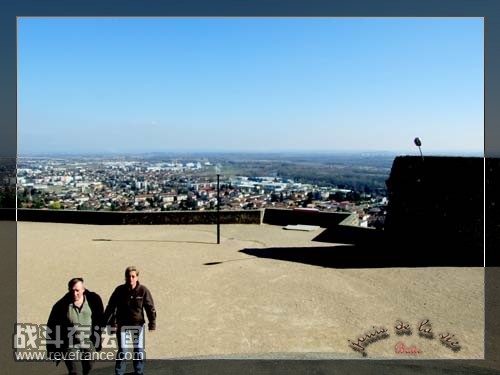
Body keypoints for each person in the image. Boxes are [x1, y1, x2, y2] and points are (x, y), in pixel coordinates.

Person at [104, 266, 156, 375]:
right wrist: (107, 323)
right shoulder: (119, 290)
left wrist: (152, 323)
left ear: (137, 277)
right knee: (123, 351)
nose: (130, 279)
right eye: (128, 276)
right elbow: (111, 307)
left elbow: (150, 307)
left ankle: (139, 371)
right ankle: (119, 372)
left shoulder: (143, 290)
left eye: (133, 276)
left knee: (138, 351)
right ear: (125, 277)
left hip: (138, 325)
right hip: (122, 325)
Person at [47, 277, 104, 375]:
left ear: (83, 290)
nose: (75, 293)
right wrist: (52, 348)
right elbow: (51, 327)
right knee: (75, 372)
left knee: (88, 367)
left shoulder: (93, 301)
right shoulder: (61, 306)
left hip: (88, 342)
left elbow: (100, 319)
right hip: (70, 344)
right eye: (72, 290)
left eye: (77, 290)